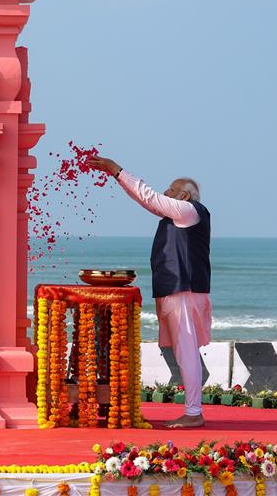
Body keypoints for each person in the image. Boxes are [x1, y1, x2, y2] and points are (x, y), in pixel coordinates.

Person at [88, 156, 211, 429]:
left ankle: (193, 412)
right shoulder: (178, 215)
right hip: (177, 289)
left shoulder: (189, 210)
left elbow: (148, 197)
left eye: (170, 189)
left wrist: (115, 170)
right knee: (183, 351)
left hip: (183, 290)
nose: (165, 192)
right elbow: (148, 201)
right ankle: (192, 409)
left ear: (184, 195)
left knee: (187, 351)